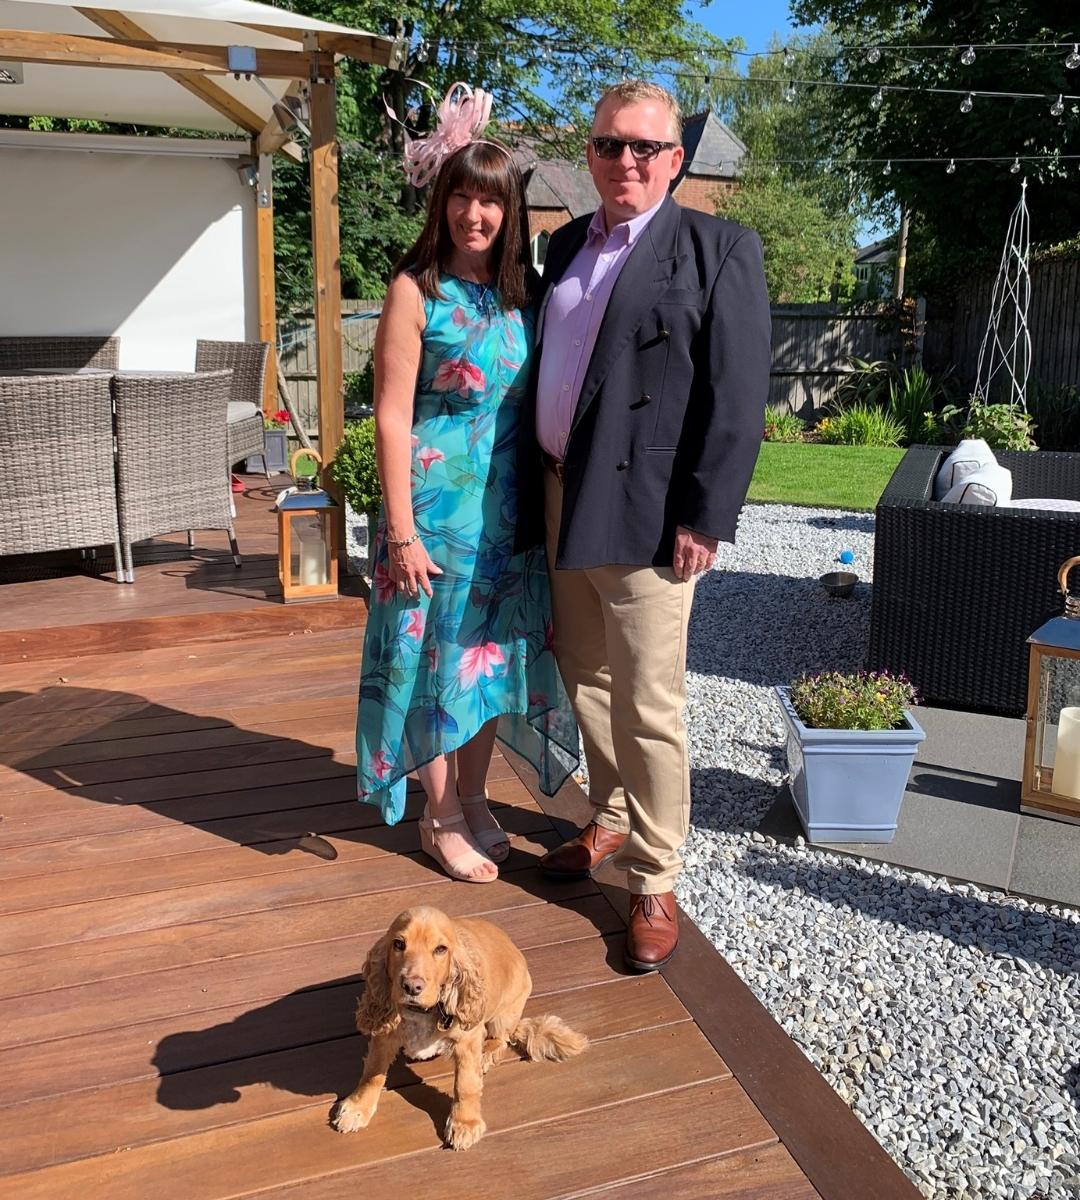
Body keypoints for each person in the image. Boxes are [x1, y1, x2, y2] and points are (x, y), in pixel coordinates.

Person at [521, 80, 771, 968]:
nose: (624, 161)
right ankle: (614, 815)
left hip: (650, 514)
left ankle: (655, 876)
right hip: (559, 495)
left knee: (651, 700)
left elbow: (738, 401)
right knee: (584, 673)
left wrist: (705, 516)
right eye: (607, 145)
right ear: (586, 154)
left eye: (642, 147)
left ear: (675, 159)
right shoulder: (560, 249)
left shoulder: (718, 247)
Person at [356, 84, 577, 883]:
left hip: (506, 515)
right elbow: (388, 416)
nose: (474, 216)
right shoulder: (416, 290)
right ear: (441, 202)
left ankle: (477, 799)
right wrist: (401, 530)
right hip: (436, 514)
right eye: (461, 198)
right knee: (437, 666)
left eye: (489, 202)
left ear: (507, 212)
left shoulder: (519, 296)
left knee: (486, 663)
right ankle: (438, 814)